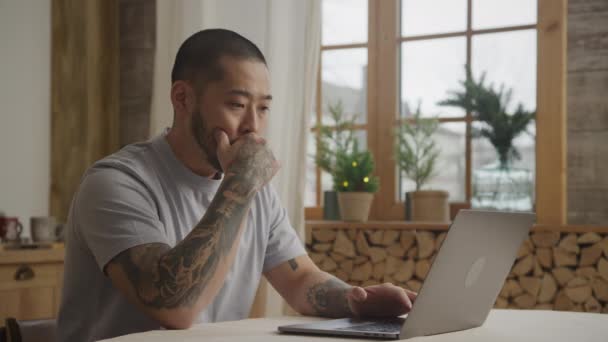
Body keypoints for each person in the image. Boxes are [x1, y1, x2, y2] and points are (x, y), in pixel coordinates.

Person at [56, 28, 417, 342]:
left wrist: (356, 300)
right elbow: (173, 307)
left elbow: (300, 278)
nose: (253, 127)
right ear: (182, 98)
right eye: (236, 104)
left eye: (262, 109)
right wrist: (240, 184)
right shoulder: (116, 182)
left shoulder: (251, 187)